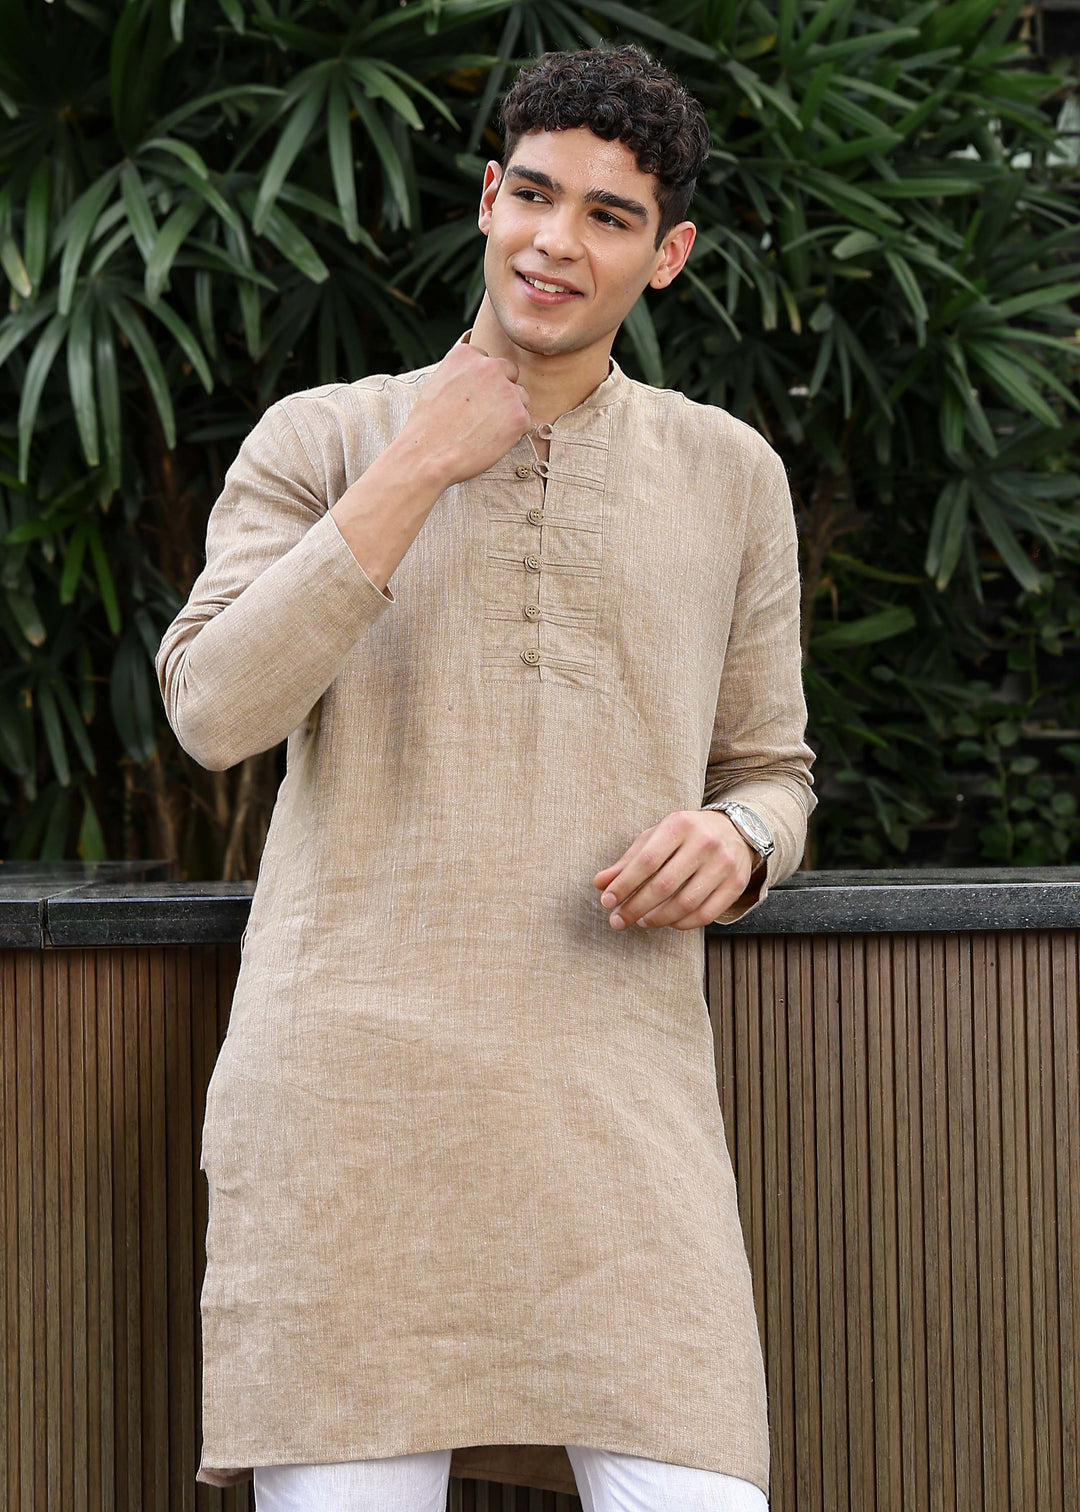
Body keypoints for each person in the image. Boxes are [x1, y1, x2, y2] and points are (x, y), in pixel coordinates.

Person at [157, 42, 815, 1512]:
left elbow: (773, 767)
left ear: (669, 255)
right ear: (486, 197)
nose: (553, 241)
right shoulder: (322, 437)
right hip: (350, 1096)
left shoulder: (730, 474)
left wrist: (742, 838)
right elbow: (212, 711)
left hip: (616, 1097)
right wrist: (414, 468)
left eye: (606, 215)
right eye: (533, 194)